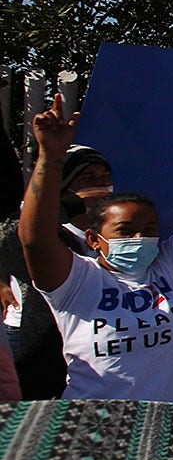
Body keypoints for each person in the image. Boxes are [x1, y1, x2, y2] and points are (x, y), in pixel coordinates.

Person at [18, 96, 173, 402]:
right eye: (125, 231)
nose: (140, 237)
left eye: (149, 230)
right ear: (94, 239)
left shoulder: (167, 268)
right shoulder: (75, 280)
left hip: (169, 429)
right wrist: (51, 156)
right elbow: (35, 239)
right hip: (101, 434)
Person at [0, 141, 107, 398]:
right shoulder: (36, 230)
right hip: (35, 342)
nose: (100, 186)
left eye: (105, 177)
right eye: (88, 178)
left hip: (88, 344)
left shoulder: (112, 230)